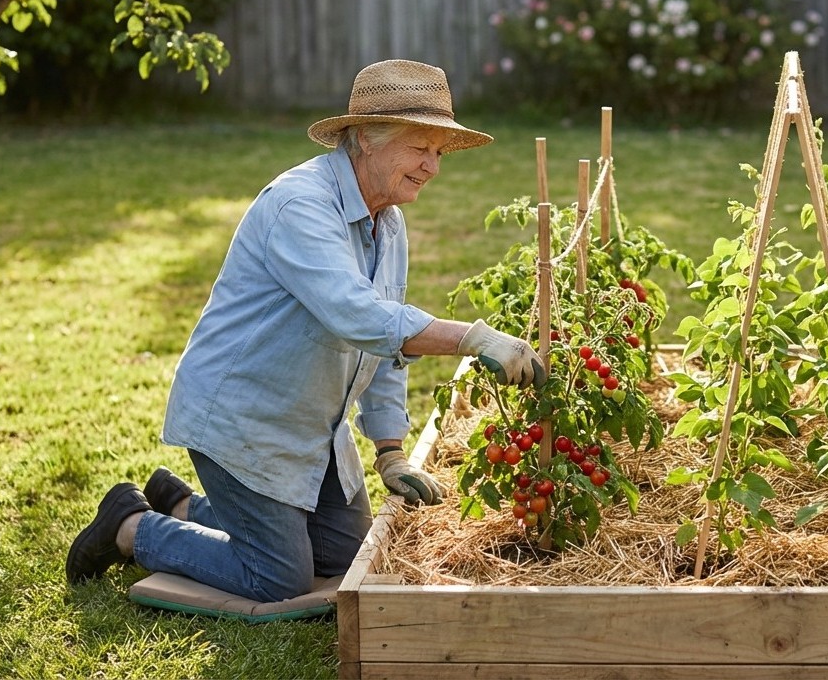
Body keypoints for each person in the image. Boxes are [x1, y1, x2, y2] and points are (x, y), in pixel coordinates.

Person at [65, 59, 545, 602]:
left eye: (438, 152)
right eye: (420, 148)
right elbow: (358, 316)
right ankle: (131, 524)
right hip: (246, 418)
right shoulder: (301, 205)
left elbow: (385, 341)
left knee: (346, 556)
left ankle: (181, 504)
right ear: (365, 137)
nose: (432, 167)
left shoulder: (386, 219)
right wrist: (470, 338)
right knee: (277, 579)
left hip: (312, 424)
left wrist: (390, 449)